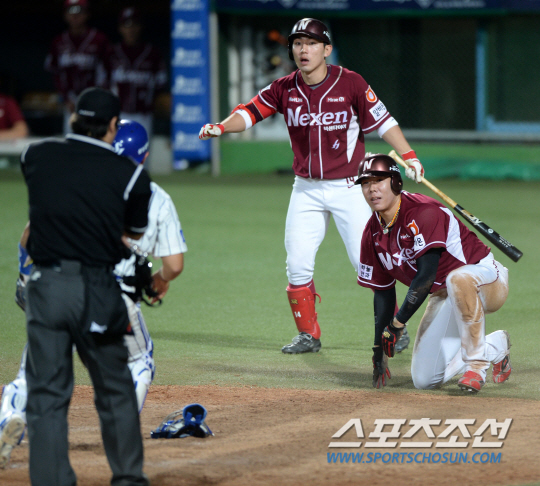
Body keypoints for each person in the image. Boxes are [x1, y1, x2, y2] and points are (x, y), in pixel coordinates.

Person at [199, 18, 424, 354]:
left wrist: (409, 155)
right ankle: (308, 335)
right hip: (305, 188)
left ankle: (396, 328)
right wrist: (222, 127)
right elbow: (250, 112)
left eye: (312, 43)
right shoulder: (284, 88)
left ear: (327, 49)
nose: (304, 50)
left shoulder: (350, 83)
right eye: (298, 43)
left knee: (368, 262)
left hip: (350, 188)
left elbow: (383, 121)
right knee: (298, 263)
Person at [0, 120, 187, 469]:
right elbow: (174, 264)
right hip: (111, 299)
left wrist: (25, 278)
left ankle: (10, 416)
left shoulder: (74, 177)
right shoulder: (154, 195)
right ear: (144, 157)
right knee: (138, 360)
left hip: (56, 287)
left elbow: (30, 232)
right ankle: (119, 433)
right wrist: (160, 281)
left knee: (35, 369)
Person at [20, 87, 151, 485]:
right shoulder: (131, 175)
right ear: (113, 126)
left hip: (46, 287)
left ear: (74, 118)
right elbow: (132, 231)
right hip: (97, 289)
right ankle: (127, 479)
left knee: (46, 396)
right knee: (115, 390)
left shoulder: (36, 155)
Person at [355, 153, 511, 393]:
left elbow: (426, 276)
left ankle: (476, 366)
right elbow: (383, 292)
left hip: (485, 278)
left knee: (457, 278)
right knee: (425, 380)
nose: (372, 189)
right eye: (366, 183)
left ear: (395, 182)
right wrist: (378, 348)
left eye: (378, 181)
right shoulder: (372, 233)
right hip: (445, 293)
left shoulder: (422, 211)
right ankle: (494, 345)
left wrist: (397, 323)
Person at [44, 0, 111, 134]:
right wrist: (65, 98)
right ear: (65, 15)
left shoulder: (99, 39)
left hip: (94, 100)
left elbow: (108, 72)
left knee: (92, 139)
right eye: (71, 12)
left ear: (87, 14)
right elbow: (55, 73)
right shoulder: (59, 41)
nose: (75, 16)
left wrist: (98, 98)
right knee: (71, 139)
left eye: (79, 11)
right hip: (70, 101)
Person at [107, 7, 167, 138]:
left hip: (144, 115)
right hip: (119, 114)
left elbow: (161, 86)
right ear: (120, 28)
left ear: (140, 27)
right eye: (126, 25)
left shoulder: (152, 54)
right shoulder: (112, 53)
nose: (131, 30)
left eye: (134, 24)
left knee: (142, 151)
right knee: (117, 150)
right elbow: (103, 83)